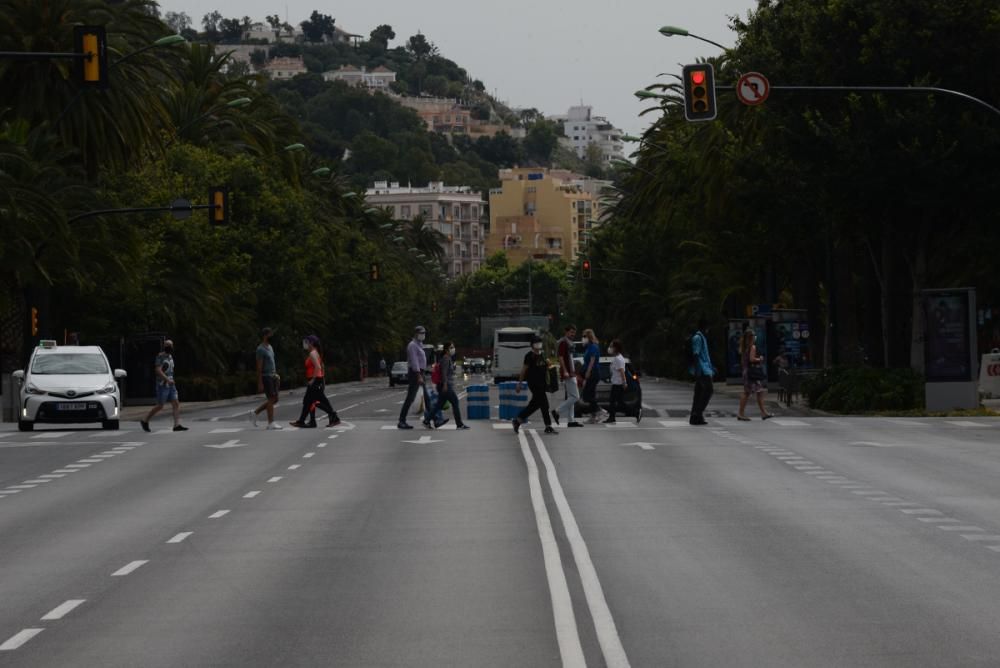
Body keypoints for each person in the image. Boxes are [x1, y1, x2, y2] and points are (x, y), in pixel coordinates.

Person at [290, 335, 340, 428]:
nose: (306, 344)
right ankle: (305, 421)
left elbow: (318, 367)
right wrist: (321, 377)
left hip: (315, 380)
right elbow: (322, 366)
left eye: (307, 342)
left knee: (316, 401)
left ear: (312, 343)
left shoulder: (312, 353)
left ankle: (333, 416)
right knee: (309, 401)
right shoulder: (316, 352)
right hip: (317, 379)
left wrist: (313, 379)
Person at [140, 339, 188, 432]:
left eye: (170, 345)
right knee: (160, 405)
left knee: (175, 403)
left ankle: (176, 425)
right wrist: (167, 379)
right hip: (163, 384)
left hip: (171, 384)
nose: (169, 347)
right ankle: (145, 420)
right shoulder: (160, 356)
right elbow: (158, 370)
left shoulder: (170, 357)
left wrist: (171, 380)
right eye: (167, 345)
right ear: (164, 346)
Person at [513, 336, 556, 435]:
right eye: (536, 343)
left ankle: (518, 420)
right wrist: (519, 383)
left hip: (543, 383)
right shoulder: (529, 356)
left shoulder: (544, 355)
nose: (538, 344)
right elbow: (524, 370)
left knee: (535, 404)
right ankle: (548, 426)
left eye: (540, 342)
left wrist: (552, 367)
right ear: (532, 345)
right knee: (544, 404)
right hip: (533, 383)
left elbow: (550, 366)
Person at [398, 325, 439, 429]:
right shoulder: (412, 345)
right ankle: (401, 421)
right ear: (416, 334)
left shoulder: (419, 344)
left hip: (420, 373)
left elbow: (421, 361)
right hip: (415, 374)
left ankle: (435, 420)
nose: (423, 335)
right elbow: (414, 361)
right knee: (410, 398)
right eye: (421, 333)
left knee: (427, 398)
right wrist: (418, 375)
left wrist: (427, 370)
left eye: (424, 333)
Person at [249, 327, 282, 429]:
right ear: (265, 336)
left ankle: (255, 412)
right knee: (271, 398)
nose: (272, 336)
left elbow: (272, 362)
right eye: (270, 334)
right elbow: (259, 367)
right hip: (266, 377)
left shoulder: (270, 347)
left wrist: (276, 375)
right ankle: (270, 423)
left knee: (275, 399)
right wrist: (260, 382)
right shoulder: (260, 349)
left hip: (273, 376)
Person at [738, 329, 774, 421]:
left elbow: (743, 361)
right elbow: (751, 359)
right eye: (754, 336)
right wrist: (760, 359)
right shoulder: (752, 347)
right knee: (749, 393)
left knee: (757, 392)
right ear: (751, 337)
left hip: (746, 371)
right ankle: (741, 413)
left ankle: (763, 412)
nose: (755, 338)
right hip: (752, 373)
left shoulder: (744, 347)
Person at [432, 341, 469, 429]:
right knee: (455, 402)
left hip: (444, 385)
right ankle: (459, 424)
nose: (453, 349)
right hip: (446, 385)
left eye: (453, 347)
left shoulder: (448, 358)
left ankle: (427, 420)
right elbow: (444, 373)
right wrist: (445, 384)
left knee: (439, 405)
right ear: (446, 349)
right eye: (451, 347)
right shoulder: (446, 358)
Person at [552, 324, 583, 428]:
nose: (573, 334)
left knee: (571, 397)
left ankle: (571, 420)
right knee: (576, 397)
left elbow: (569, 358)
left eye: (574, 332)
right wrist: (565, 371)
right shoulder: (563, 343)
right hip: (568, 373)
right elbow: (560, 358)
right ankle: (557, 411)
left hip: (571, 372)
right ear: (566, 332)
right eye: (571, 332)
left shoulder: (569, 343)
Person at [689, 318, 716, 426]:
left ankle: (695, 417)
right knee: (708, 390)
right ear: (705, 327)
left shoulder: (702, 337)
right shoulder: (698, 338)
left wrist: (711, 367)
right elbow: (696, 354)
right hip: (702, 370)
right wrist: (698, 370)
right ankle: (697, 413)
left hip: (705, 368)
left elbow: (703, 355)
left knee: (699, 393)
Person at [580, 328, 605, 423]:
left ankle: (600, 410)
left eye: (584, 336)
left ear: (589, 337)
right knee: (591, 394)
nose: (583, 338)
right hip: (591, 373)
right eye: (583, 336)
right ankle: (593, 416)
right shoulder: (588, 347)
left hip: (593, 372)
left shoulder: (594, 346)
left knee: (586, 395)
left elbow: (592, 360)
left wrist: (588, 372)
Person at [605, 339, 628, 424]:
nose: (609, 348)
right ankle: (612, 417)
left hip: (618, 384)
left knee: (614, 401)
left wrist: (624, 382)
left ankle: (636, 412)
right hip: (616, 383)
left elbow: (622, 371)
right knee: (617, 402)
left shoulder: (618, 359)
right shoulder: (617, 358)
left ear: (616, 348)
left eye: (611, 346)